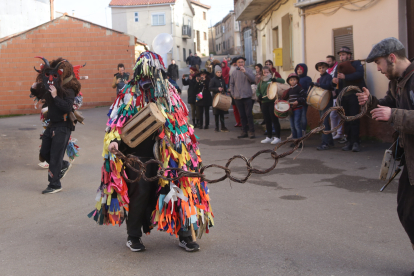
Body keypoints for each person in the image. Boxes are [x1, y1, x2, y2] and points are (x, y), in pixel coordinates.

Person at [356, 37, 414, 274]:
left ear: (392, 58)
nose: (378, 69)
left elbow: (394, 113)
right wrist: (369, 103)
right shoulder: (396, 83)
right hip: (410, 160)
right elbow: (385, 108)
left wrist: (394, 114)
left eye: (379, 63)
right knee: (406, 211)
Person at [30, 57, 81, 194]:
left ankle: (54, 184)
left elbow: (67, 107)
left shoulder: (69, 90)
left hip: (63, 126)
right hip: (52, 125)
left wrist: (55, 96)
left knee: (55, 157)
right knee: (44, 153)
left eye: (55, 75)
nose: (52, 77)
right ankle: (63, 165)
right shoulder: (52, 87)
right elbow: (42, 95)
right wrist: (35, 89)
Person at [332, 46, 366, 152]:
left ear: (349, 55)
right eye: (340, 55)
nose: (341, 57)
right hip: (343, 96)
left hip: (354, 95)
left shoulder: (356, 63)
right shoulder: (338, 67)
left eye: (343, 54)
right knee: (346, 119)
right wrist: (334, 81)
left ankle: (356, 142)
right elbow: (334, 81)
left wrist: (345, 77)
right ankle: (349, 142)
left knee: (354, 118)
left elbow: (360, 74)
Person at [256, 66, 284, 144]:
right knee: (267, 120)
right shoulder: (261, 82)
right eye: (264, 72)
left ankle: (278, 137)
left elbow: (283, 81)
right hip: (264, 103)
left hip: (272, 102)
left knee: (274, 119)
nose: (266, 74)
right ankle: (269, 136)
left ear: (270, 72)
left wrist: (276, 79)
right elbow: (257, 91)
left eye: (267, 72)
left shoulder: (272, 80)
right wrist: (259, 95)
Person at [230, 56, 256, 139]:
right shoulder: (234, 72)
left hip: (247, 96)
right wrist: (233, 94)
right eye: (239, 62)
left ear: (244, 63)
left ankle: (251, 131)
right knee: (242, 115)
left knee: (249, 115)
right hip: (237, 97)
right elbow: (231, 84)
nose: (240, 63)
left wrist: (245, 72)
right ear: (236, 63)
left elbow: (253, 80)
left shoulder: (248, 70)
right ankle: (244, 131)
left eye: (242, 62)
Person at [313, 61, 334, 150]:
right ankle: (330, 142)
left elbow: (329, 86)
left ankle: (325, 143)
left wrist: (318, 84)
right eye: (320, 68)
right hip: (321, 102)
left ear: (326, 68)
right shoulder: (320, 78)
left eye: (323, 68)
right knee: (324, 122)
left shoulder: (328, 77)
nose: (321, 69)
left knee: (324, 122)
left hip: (327, 101)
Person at [280, 73, 306, 144]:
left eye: (294, 79)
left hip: (298, 109)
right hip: (291, 109)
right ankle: (294, 141)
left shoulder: (299, 89)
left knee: (297, 125)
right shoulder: (289, 90)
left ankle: (299, 142)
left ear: (297, 80)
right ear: (289, 82)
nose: (293, 81)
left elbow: (304, 97)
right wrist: (278, 100)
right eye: (291, 80)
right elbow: (284, 98)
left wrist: (298, 101)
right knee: (292, 126)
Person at [326, 55, 343, 140]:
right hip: (330, 95)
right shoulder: (326, 70)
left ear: (333, 61)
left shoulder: (337, 68)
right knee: (333, 115)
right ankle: (334, 132)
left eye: (329, 61)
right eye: (327, 61)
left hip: (337, 94)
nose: (327, 63)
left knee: (336, 113)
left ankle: (338, 132)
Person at [209, 65, 229, 132]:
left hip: (222, 98)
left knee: (222, 113)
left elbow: (225, 88)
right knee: (216, 113)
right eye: (218, 72)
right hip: (216, 98)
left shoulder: (222, 80)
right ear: (215, 73)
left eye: (220, 72)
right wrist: (217, 89)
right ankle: (216, 127)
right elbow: (210, 88)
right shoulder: (213, 80)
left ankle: (223, 126)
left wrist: (225, 90)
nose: (219, 73)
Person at [295, 63, 312, 135]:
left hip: (303, 100)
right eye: (298, 69)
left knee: (303, 116)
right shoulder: (295, 78)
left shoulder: (307, 79)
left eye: (301, 69)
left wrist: (303, 95)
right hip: (295, 101)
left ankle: (303, 131)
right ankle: (295, 132)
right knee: (296, 117)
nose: (299, 70)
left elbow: (309, 90)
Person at [228, 57, 241, 127]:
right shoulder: (231, 71)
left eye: (236, 63)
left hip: (240, 92)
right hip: (233, 92)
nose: (235, 64)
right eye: (234, 63)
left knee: (241, 109)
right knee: (235, 109)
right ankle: (238, 121)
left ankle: (242, 121)